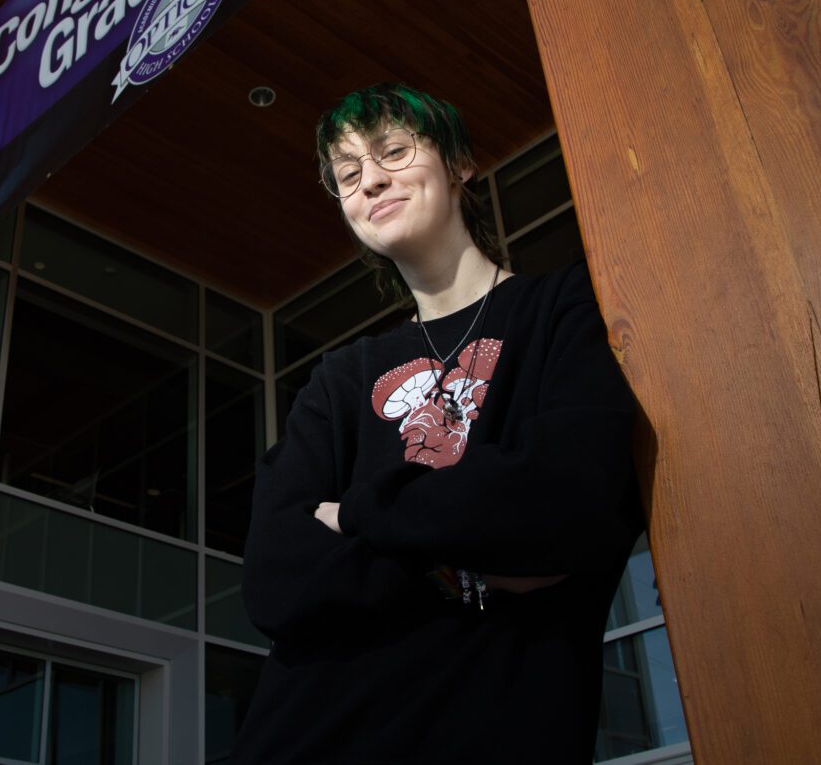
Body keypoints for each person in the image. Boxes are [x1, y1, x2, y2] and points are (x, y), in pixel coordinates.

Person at [232, 84, 644, 764]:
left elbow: (570, 500)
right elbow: (274, 579)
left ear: (458, 164)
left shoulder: (563, 309)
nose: (372, 180)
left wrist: (358, 512)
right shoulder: (340, 379)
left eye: (394, 150)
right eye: (348, 173)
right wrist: (465, 569)